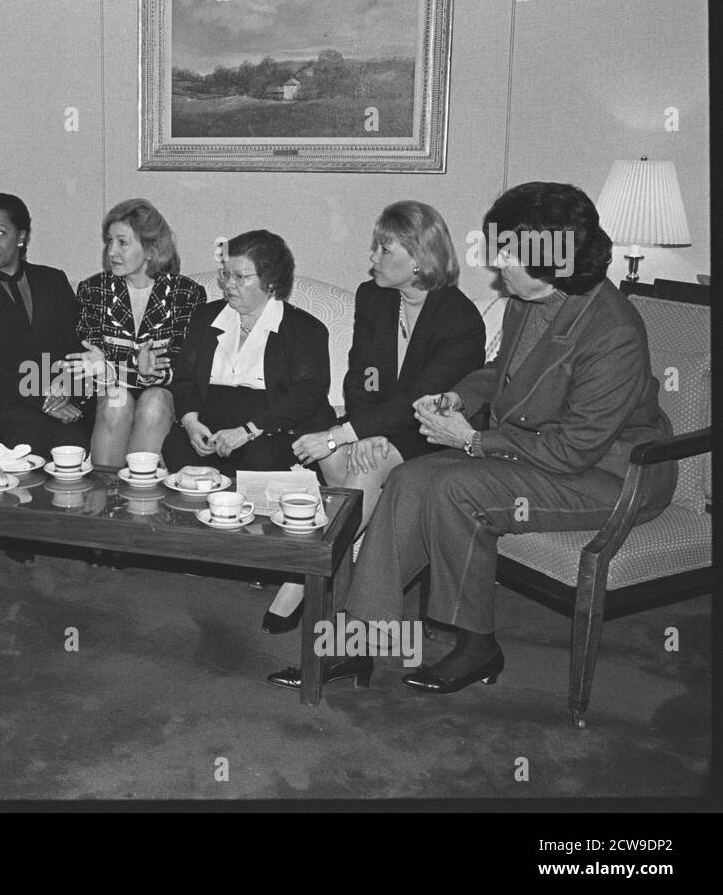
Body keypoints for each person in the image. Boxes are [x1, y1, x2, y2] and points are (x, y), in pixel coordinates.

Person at [271, 182, 677, 693]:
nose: (495, 260)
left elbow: (573, 451)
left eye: (506, 250)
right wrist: (458, 398)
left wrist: (471, 442)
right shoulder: (531, 298)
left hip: (611, 475)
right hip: (538, 453)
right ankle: (358, 639)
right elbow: (500, 370)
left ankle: (478, 645)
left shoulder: (610, 330)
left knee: (455, 489)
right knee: (411, 479)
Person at [261, 202, 485, 643]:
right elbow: (359, 376)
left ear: (420, 259)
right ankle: (339, 583)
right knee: (343, 458)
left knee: (357, 464)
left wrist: (351, 434)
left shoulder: (459, 320)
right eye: (375, 249)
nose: (373, 259)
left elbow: (422, 399)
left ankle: (305, 575)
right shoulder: (374, 297)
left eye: (385, 250)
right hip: (377, 423)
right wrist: (359, 427)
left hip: (433, 430)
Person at [162, 229, 334, 476]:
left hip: (267, 432)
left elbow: (308, 393)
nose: (229, 284)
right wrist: (191, 424)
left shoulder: (304, 329)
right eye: (226, 274)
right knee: (176, 446)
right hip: (208, 431)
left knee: (263, 457)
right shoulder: (205, 318)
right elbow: (185, 378)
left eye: (241, 277)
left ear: (271, 282)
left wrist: (248, 431)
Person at [0, 192, 90, 456]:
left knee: (75, 434)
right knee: (31, 431)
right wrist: (41, 397)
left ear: (21, 237)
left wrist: (64, 385)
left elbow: (75, 344)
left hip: (50, 389)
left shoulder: (52, 280)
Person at [63, 199, 207, 468]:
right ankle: (104, 494)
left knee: (154, 399)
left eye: (122, 242)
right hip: (109, 392)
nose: (111, 252)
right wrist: (126, 369)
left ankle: (139, 500)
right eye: (109, 241)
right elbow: (91, 360)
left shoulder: (186, 294)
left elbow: (184, 367)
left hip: (163, 393)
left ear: (151, 248)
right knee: (117, 400)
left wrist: (121, 368)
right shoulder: (94, 290)